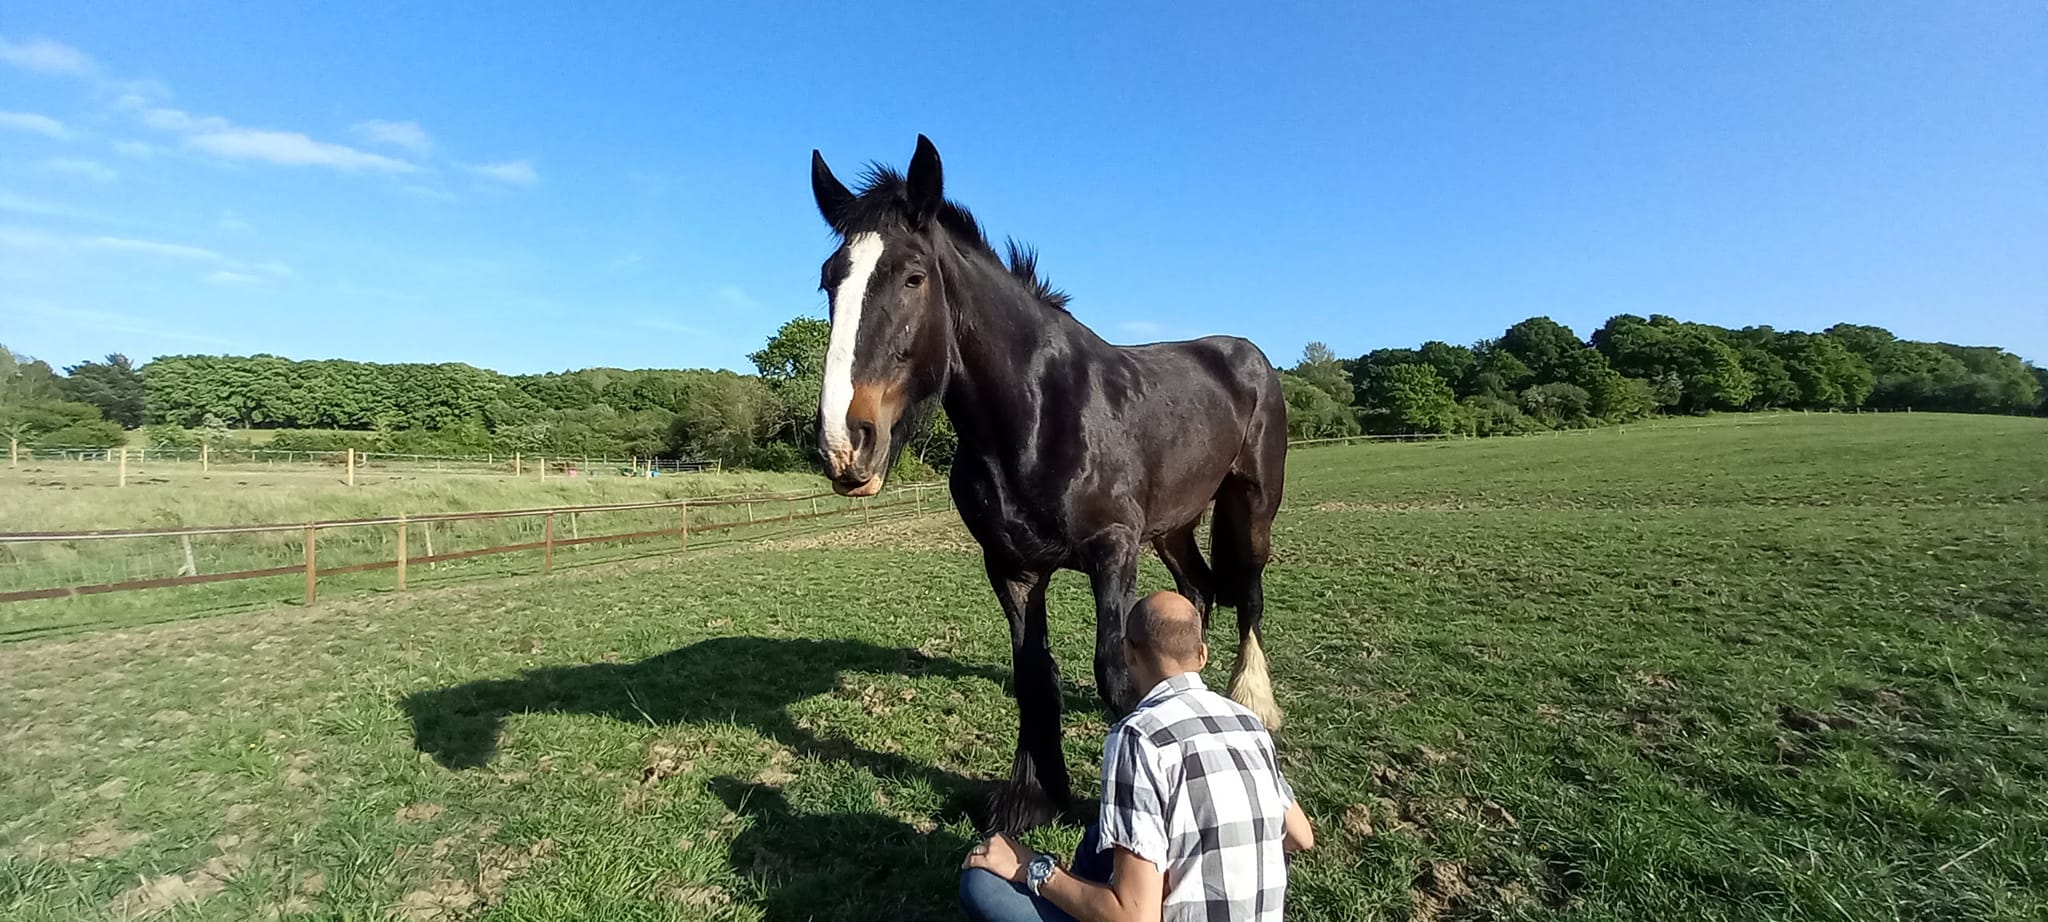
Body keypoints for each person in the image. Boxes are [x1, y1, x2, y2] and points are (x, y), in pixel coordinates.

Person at [961, 591, 1314, 922]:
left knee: (982, 884)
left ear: (1128, 653)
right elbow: (1300, 836)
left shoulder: (1138, 736)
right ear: (1202, 655)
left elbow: (1135, 917)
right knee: (1101, 835)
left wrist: (1031, 867)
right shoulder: (1246, 722)